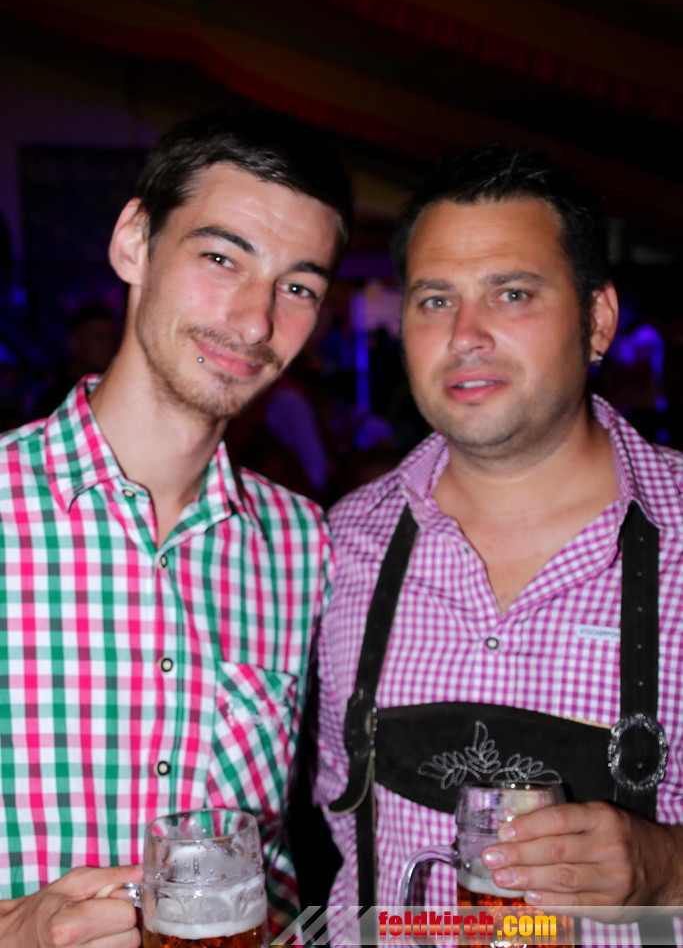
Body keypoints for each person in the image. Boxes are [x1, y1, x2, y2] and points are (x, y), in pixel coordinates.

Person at [0, 105, 352, 947]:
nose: (255, 320)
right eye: (221, 257)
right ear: (134, 242)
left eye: (297, 287)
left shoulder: (306, 546)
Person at [313, 146, 683, 946]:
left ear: (596, 320)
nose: (465, 335)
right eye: (434, 300)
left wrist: (667, 868)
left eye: (511, 294)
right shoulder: (337, 545)